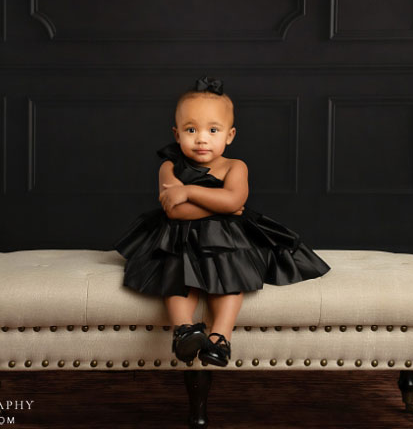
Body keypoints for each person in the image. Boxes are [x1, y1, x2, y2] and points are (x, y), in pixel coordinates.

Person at [112, 76, 330, 367]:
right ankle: (184, 330)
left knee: (229, 274)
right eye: (191, 129)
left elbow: (234, 201)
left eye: (213, 130)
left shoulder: (235, 166)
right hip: (178, 237)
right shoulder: (169, 166)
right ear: (177, 134)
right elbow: (175, 212)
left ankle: (220, 338)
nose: (201, 138)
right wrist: (222, 206)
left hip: (226, 239)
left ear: (230, 135)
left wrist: (189, 192)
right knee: (175, 272)